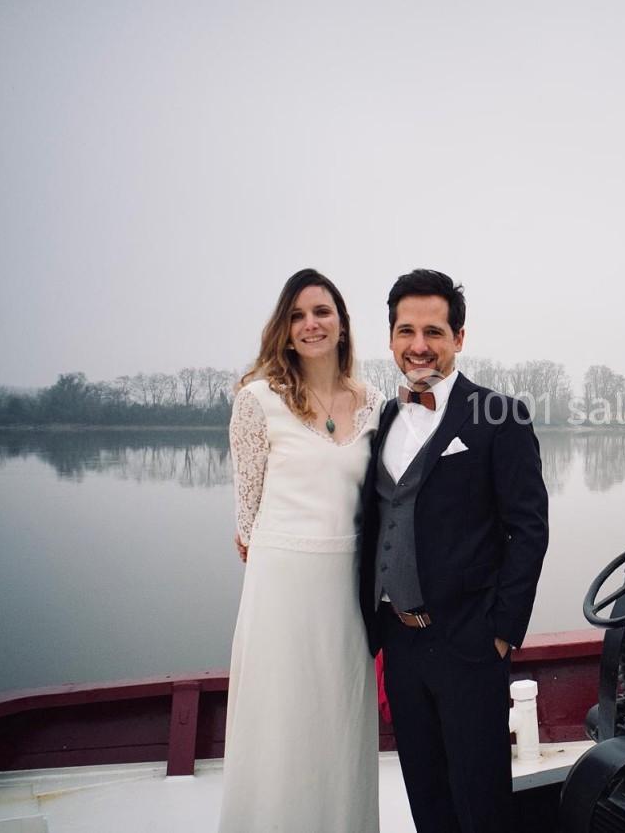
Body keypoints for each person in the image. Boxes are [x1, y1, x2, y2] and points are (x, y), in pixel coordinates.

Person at [359, 269, 549, 833]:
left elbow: (529, 529)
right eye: (406, 331)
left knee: (481, 802)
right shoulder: (382, 419)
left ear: (459, 338)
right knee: (427, 796)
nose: (419, 346)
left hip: (469, 640)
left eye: (434, 332)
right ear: (391, 338)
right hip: (398, 640)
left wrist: (502, 629)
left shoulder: (500, 416)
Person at [220, 269, 384, 833]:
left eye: (322, 312)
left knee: (339, 717)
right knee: (281, 720)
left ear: (342, 323)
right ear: (285, 330)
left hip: (348, 585)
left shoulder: (375, 403)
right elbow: (246, 518)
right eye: (297, 315)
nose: (311, 324)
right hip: (283, 580)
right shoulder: (257, 400)